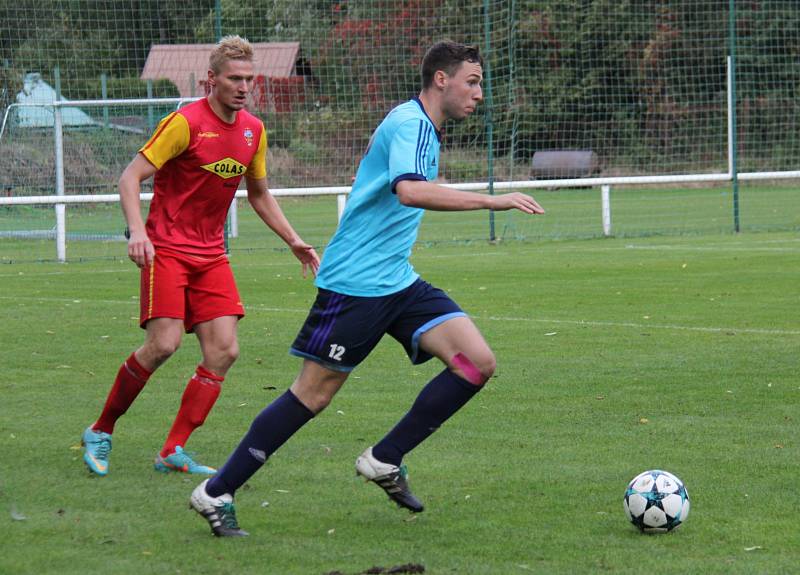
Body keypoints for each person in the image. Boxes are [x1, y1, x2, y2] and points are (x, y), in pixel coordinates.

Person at [189, 40, 544, 536]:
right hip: (356, 287)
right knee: (311, 396)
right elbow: (410, 189)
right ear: (441, 80)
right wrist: (493, 201)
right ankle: (216, 491)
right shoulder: (411, 124)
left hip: (396, 282)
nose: (479, 93)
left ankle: (385, 458)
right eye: (473, 81)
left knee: (474, 364)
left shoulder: (422, 125)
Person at [80, 35, 320, 477]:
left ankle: (173, 449)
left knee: (224, 350)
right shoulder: (184, 123)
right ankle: (101, 429)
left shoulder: (254, 130)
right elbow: (130, 177)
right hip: (167, 249)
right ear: (212, 79)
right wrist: (138, 232)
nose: (244, 86)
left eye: (250, 78)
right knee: (163, 345)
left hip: (211, 256)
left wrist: (292, 239)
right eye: (235, 78)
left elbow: (260, 194)